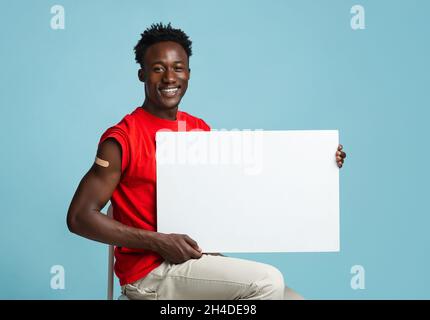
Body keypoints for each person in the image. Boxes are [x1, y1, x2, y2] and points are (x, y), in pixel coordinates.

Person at [66, 22, 347, 300]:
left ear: (188, 73)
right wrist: (159, 242)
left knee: (293, 299)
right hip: (150, 275)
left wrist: (317, 162)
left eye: (177, 68)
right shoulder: (122, 139)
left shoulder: (198, 131)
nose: (169, 78)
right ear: (142, 74)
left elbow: (247, 182)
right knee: (268, 281)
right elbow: (79, 217)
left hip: (194, 264)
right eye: (158, 68)